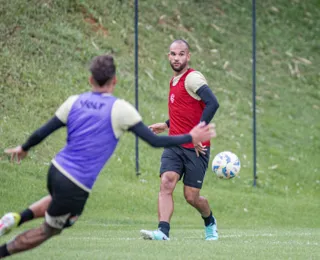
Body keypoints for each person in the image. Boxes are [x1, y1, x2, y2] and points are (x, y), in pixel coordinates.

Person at [0, 54, 216, 258]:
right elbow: (154, 141)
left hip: (56, 170)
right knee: (49, 230)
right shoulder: (120, 109)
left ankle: (17, 217)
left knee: (57, 200)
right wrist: (191, 136)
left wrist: (24, 147)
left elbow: (43, 131)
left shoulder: (74, 101)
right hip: (77, 182)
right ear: (114, 80)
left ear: (90, 79)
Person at [140, 39, 220, 241]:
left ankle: (209, 220)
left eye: (181, 54)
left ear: (188, 56)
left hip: (196, 148)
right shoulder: (173, 80)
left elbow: (212, 103)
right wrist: (166, 125)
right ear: (168, 56)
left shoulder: (192, 78)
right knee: (166, 182)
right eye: (173, 54)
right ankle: (162, 231)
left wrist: (198, 133)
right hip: (175, 143)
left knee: (191, 196)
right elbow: (185, 110)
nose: (177, 58)